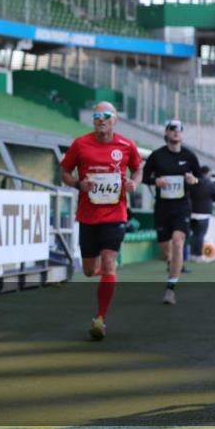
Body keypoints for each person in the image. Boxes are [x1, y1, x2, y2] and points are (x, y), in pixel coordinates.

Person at [60, 102, 142, 341]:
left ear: (115, 119)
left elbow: (138, 169)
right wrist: (77, 184)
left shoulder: (127, 145)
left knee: (108, 262)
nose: (101, 119)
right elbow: (64, 171)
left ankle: (100, 318)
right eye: (97, 116)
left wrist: (134, 183)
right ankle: (109, 277)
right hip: (87, 215)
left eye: (106, 116)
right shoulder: (80, 144)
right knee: (88, 271)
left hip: (116, 214)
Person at [142, 120, 201, 306]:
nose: (176, 132)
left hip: (182, 207)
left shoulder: (189, 156)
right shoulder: (157, 156)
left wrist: (193, 180)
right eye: (172, 129)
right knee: (165, 253)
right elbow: (144, 177)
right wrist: (155, 181)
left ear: (182, 134)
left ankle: (170, 290)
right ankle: (170, 261)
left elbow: (199, 178)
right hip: (162, 207)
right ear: (166, 133)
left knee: (178, 242)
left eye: (180, 129)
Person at [189, 166, 215, 260]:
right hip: (203, 213)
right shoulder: (209, 184)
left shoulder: (193, 182)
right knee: (200, 235)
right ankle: (198, 255)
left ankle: (192, 254)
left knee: (194, 234)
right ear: (207, 173)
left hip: (192, 212)